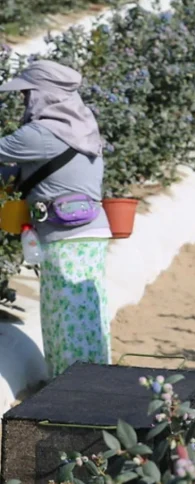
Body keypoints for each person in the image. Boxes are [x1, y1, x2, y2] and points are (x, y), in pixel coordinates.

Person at [0, 60, 111, 376]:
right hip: (88, 232)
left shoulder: (40, 134)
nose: (24, 100)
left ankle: (72, 398)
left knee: (66, 322)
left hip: (66, 239)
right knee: (85, 317)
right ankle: (94, 386)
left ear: (42, 94)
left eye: (27, 93)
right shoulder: (80, 125)